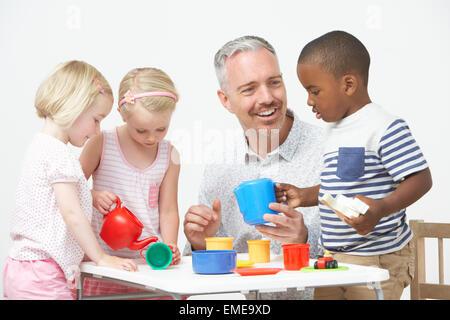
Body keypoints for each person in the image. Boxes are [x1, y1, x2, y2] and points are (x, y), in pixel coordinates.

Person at [275, 30, 432, 300]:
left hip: (376, 260)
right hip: (334, 258)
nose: (309, 101)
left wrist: (381, 208)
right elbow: (339, 189)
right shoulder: (334, 130)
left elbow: (421, 179)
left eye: (314, 91)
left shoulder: (383, 127)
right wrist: (304, 195)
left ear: (348, 85)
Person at [182, 36, 324, 300]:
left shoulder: (328, 150)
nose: (267, 98)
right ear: (226, 100)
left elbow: (364, 250)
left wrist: (304, 239)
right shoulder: (219, 166)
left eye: (274, 82)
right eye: (249, 89)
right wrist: (200, 243)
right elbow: (203, 280)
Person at [3, 61, 138, 300]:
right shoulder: (59, 153)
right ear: (74, 108)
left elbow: (53, 203)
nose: (97, 130)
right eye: (96, 119)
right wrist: (100, 257)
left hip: (22, 269)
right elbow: (71, 213)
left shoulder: (40, 146)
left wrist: (91, 195)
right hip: (43, 275)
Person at [79, 67, 181, 297]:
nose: (152, 137)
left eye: (161, 129)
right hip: (106, 264)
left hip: (150, 267)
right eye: (142, 130)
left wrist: (171, 245)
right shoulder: (101, 142)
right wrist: (93, 196)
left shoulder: (170, 155)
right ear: (123, 115)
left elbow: (168, 210)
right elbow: (69, 189)